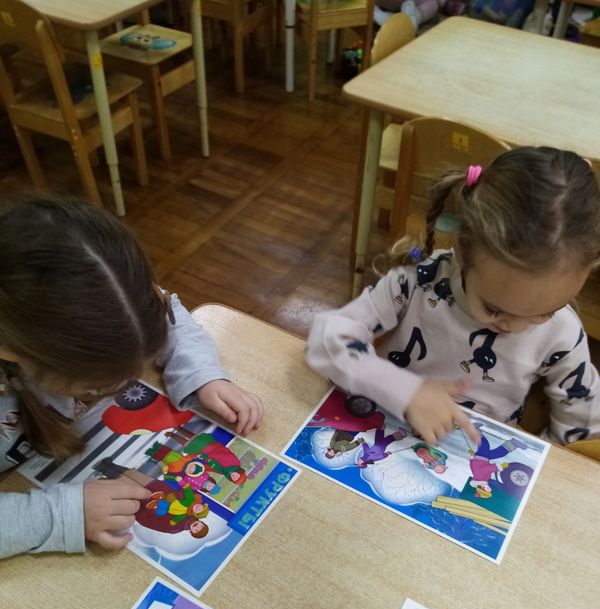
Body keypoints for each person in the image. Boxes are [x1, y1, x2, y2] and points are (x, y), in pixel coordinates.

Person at [0, 195, 263, 559]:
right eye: (95, 387)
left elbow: (167, 316)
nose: (115, 391)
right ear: (11, 351)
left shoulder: (116, 304)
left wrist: (203, 375)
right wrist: (61, 515)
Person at [307, 147, 600, 447]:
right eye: (494, 309)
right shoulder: (419, 281)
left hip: (474, 456)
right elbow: (326, 339)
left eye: (546, 312)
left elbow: (582, 430)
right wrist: (406, 391)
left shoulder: (563, 333)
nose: (515, 327)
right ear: (461, 252)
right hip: (382, 431)